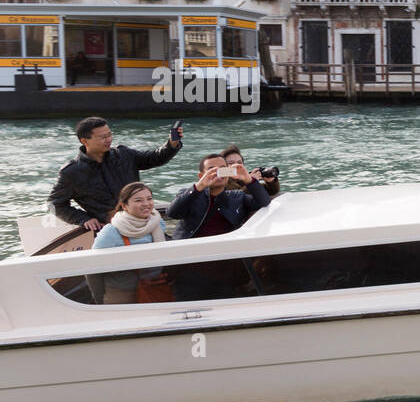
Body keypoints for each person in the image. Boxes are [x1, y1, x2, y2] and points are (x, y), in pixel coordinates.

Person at [47, 117, 184, 232]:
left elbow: (154, 158)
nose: (108, 140)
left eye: (110, 134)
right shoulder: (71, 173)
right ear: (84, 141)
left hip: (142, 221)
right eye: (102, 137)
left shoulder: (123, 154)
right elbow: (55, 204)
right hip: (109, 228)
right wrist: (84, 219)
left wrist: (171, 144)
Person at [90, 183, 169, 304]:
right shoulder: (111, 232)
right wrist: (98, 300)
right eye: (138, 200)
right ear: (124, 206)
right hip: (122, 292)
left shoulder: (157, 223)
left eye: (149, 199)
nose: (147, 204)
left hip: (154, 286)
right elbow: (91, 268)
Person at [168, 153, 271, 240]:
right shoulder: (191, 194)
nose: (218, 173)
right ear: (201, 176)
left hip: (225, 252)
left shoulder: (237, 196)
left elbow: (264, 201)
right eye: (211, 170)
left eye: (222, 169)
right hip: (188, 251)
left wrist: (248, 179)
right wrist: (199, 186)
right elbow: (173, 213)